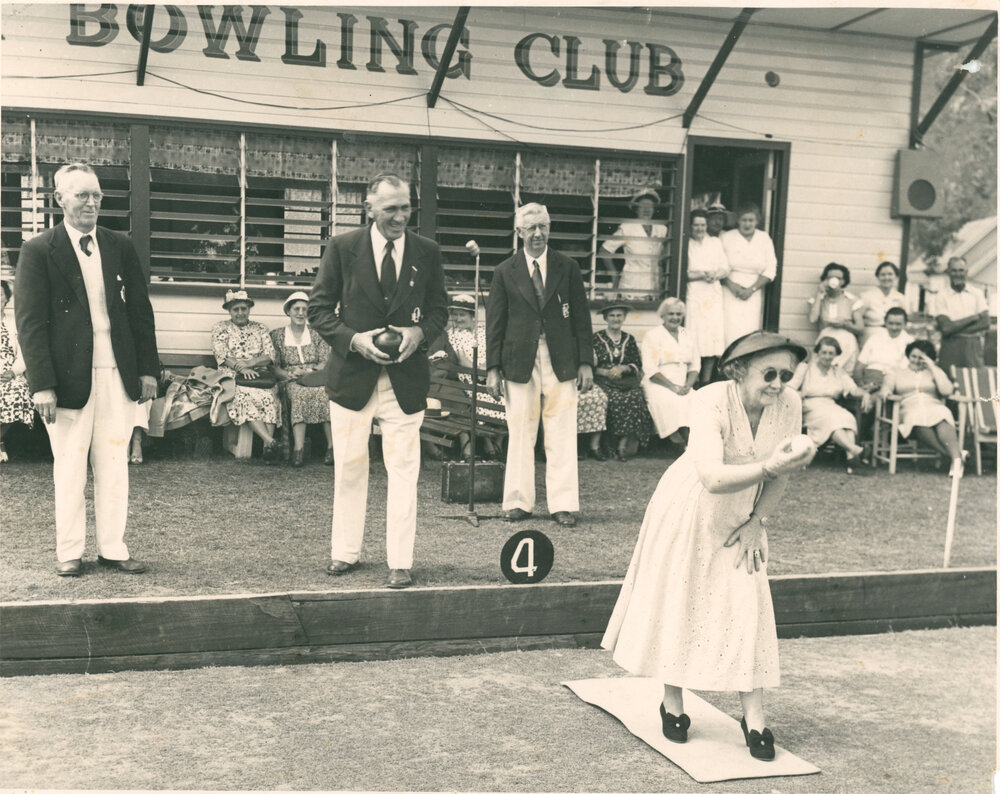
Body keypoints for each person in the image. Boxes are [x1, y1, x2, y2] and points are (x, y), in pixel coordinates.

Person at [602, 331, 814, 761]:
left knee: (747, 606)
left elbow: (783, 474)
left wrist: (758, 521)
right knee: (684, 600)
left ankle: (754, 717)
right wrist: (770, 466)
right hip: (691, 507)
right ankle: (672, 702)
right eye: (769, 374)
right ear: (738, 370)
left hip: (743, 513)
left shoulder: (789, 403)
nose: (778, 384)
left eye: (786, 376)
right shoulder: (710, 399)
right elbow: (712, 477)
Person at [14, 162, 158, 577]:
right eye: (82, 195)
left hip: (117, 373)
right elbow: (30, 323)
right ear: (60, 199)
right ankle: (69, 552)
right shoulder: (39, 249)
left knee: (114, 463)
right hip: (66, 378)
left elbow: (140, 313)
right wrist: (42, 384)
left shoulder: (120, 245)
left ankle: (113, 548)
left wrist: (148, 369)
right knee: (70, 466)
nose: (91, 202)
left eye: (96, 195)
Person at [308, 172, 448, 589]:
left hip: (405, 381)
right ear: (369, 209)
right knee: (350, 467)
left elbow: (439, 310)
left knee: (404, 471)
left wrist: (420, 334)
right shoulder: (342, 247)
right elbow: (318, 309)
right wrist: (353, 340)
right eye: (390, 209)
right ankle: (345, 553)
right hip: (352, 378)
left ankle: (399, 562)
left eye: (406, 207)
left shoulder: (428, 251)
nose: (400, 217)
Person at [485, 202, 594, 527]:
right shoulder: (505, 271)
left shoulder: (567, 267)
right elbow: (495, 321)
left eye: (542, 226)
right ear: (519, 232)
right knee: (520, 429)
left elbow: (581, 319)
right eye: (530, 228)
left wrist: (585, 362)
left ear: (549, 228)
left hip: (562, 358)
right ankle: (518, 501)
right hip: (518, 361)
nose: (537, 233)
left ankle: (562, 504)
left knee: (561, 431)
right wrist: (493, 368)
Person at [879, 339, 966, 477]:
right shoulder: (896, 371)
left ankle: (956, 460)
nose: (916, 360)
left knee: (942, 414)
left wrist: (932, 367)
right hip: (908, 407)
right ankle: (955, 457)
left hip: (933, 404)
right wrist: (887, 393)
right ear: (908, 356)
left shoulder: (934, 371)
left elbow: (946, 391)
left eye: (921, 357)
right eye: (913, 356)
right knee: (916, 418)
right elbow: (886, 388)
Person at [212, 289, 281, 460]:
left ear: (249, 309)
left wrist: (251, 364)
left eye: (244, 308)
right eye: (236, 309)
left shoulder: (260, 328)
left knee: (269, 396)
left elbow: (270, 355)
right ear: (229, 311)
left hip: (260, 376)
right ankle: (270, 442)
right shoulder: (221, 328)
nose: (240, 313)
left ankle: (268, 449)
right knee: (244, 396)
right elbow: (222, 354)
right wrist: (242, 369)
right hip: (233, 375)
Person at [789, 336, 873, 475]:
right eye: (824, 352)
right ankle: (854, 452)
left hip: (830, 404)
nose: (827, 357)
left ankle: (852, 458)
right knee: (833, 420)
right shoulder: (806, 368)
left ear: (836, 355)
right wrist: (797, 395)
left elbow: (853, 389)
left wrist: (865, 394)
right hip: (810, 405)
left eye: (831, 353)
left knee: (846, 418)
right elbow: (791, 387)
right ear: (817, 353)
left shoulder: (838, 371)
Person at [270, 291, 333, 467]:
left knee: (325, 394)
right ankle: (298, 449)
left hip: (315, 378)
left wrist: (309, 371)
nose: (300, 313)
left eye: (304, 309)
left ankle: (331, 448)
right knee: (298, 395)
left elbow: (325, 361)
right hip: (290, 380)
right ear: (288, 311)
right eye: (296, 308)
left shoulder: (317, 334)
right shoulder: (277, 335)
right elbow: (273, 366)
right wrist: (289, 374)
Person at [440, 292, 502, 460]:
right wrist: (480, 371)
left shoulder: (484, 332)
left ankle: (496, 441)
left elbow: (494, 351)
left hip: (488, 373)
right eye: (455, 315)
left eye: (462, 314)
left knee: (502, 395)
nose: (458, 319)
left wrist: (488, 367)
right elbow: (462, 361)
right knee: (480, 396)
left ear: (473, 316)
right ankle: (488, 442)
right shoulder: (453, 335)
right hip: (468, 377)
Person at [592, 303, 653, 461]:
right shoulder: (597, 338)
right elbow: (590, 365)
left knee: (635, 397)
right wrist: (606, 372)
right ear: (606, 318)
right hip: (604, 380)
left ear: (624, 318)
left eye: (619, 315)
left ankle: (622, 446)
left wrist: (624, 368)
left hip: (626, 381)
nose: (615, 319)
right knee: (614, 400)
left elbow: (636, 364)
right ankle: (608, 444)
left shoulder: (629, 339)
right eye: (612, 315)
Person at [641, 298, 699, 446]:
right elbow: (650, 369)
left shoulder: (689, 334)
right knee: (669, 401)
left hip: (683, 382)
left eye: (678, 314)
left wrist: (688, 385)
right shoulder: (653, 335)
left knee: (695, 400)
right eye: (671, 314)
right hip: (659, 382)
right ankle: (678, 439)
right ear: (663, 316)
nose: (675, 318)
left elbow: (695, 366)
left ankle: (691, 441)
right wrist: (672, 387)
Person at [721, 203, 777, 346]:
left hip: (754, 290)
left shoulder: (764, 238)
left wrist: (751, 289)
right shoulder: (726, 237)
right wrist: (731, 286)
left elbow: (771, 268)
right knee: (729, 327)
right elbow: (718, 265)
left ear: (757, 221)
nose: (747, 224)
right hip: (730, 289)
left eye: (751, 220)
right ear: (738, 220)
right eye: (744, 220)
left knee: (750, 328)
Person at [685, 209, 729, 383]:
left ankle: (706, 380)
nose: (700, 228)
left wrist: (716, 274)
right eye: (696, 225)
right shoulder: (686, 244)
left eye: (702, 224)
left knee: (712, 339)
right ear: (690, 226)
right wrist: (703, 275)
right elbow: (685, 273)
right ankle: (693, 379)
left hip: (713, 296)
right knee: (695, 337)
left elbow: (725, 268)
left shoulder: (715, 242)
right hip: (695, 295)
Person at [599, 188, 667, 299]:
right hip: (632, 287)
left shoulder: (661, 229)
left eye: (650, 206)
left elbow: (664, 257)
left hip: (654, 287)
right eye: (642, 206)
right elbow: (604, 251)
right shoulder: (628, 228)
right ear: (636, 209)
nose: (646, 210)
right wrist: (615, 277)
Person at [930, 256, 989, 371]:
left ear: (966, 272)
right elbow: (946, 328)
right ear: (948, 272)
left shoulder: (977, 293)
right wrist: (973, 318)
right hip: (950, 347)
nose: (958, 274)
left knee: (973, 381)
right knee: (949, 381)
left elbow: (985, 323)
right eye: (954, 270)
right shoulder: (941, 296)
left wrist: (954, 328)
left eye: (961, 270)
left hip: (972, 347)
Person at [806, 262, 865, 374]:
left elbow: (860, 328)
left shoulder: (851, 300)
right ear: (825, 280)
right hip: (825, 339)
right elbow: (813, 319)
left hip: (846, 339)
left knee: (841, 371)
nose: (834, 281)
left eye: (838, 278)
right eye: (830, 278)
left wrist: (845, 325)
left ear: (843, 281)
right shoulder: (818, 298)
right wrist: (819, 294)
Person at [0, 279, 34, 462]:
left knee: (20, 391)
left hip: (10, 373)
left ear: (6, 299)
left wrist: (13, 372)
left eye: (0, 295)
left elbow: (24, 354)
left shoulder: (15, 323)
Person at [854, 306, 913, 389]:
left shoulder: (909, 342)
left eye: (898, 324)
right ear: (885, 322)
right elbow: (859, 367)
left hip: (893, 380)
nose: (894, 327)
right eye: (890, 323)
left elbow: (905, 372)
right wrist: (861, 385)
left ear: (905, 324)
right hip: (869, 378)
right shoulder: (875, 338)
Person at [859, 261, 906, 346]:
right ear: (878, 277)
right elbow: (858, 318)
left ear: (896, 276)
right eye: (883, 274)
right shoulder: (867, 296)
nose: (886, 277)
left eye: (890, 274)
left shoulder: (900, 298)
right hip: (872, 334)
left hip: (894, 333)